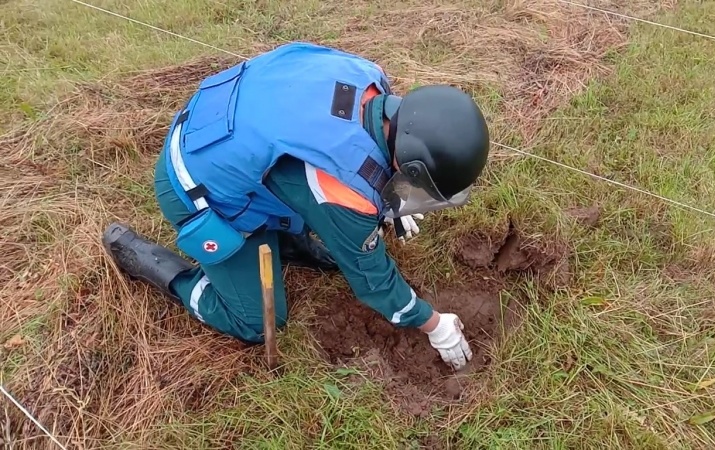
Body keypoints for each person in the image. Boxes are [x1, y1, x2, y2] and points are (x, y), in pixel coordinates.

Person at [102, 41, 490, 370]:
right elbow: (374, 282)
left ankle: (284, 240)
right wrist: (433, 323)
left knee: (293, 193)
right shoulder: (338, 190)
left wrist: (392, 204)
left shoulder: (365, 78)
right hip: (191, 180)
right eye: (418, 184)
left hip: (219, 126)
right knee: (258, 322)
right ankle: (155, 266)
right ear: (407, 163)